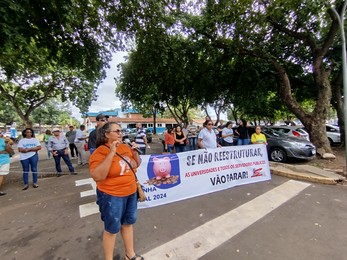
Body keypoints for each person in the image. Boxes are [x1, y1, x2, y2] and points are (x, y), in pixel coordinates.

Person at [89, 122, 143, 260]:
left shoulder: (125, 147)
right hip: (112, 196)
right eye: (117, 131)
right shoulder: (100, 152)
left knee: (128, 224)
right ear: (106, 134)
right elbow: (98, 176)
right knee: (112, 229)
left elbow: (136, 164)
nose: (120, 133)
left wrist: (135, 153)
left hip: (131, 192)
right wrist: (112, 152)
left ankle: (130, 254)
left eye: (121, 130)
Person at [0, 132, 14, 196]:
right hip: (4, 160)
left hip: (4, 159)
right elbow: (10, 150)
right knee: (1, 175)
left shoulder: (4, 140)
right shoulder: (4, 140)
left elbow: (12, 143)